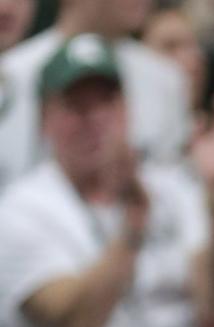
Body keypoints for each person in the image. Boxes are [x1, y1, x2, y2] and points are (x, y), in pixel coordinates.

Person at [0, 34, 214, 327]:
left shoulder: (173, 190)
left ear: (126, 112)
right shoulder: (20, 210)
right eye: (75, 107)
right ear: (44, 120)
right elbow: (79, 322)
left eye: (105, 103)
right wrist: (132, 229)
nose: (93, 121)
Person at [0, 0, 191, 193]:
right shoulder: (12, 74)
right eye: (75, 105)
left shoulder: (164, 78)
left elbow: (177, 195)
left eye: (106, 100)